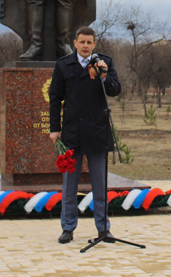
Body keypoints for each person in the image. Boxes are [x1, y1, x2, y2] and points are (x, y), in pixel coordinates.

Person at [48, 26, 121, 244]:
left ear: (94, 44)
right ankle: (68, 227)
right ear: (75, 43)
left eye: (90, 42)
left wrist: (105, 75)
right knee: (70, 185)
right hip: (72, 133)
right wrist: (54, 129)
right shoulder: (63, 65)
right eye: (82, 42)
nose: (86, 46)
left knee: (100, 185)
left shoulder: (104, 62)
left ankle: (103, 229)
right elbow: (54, 99)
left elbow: (115, 90)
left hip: (97, 131)